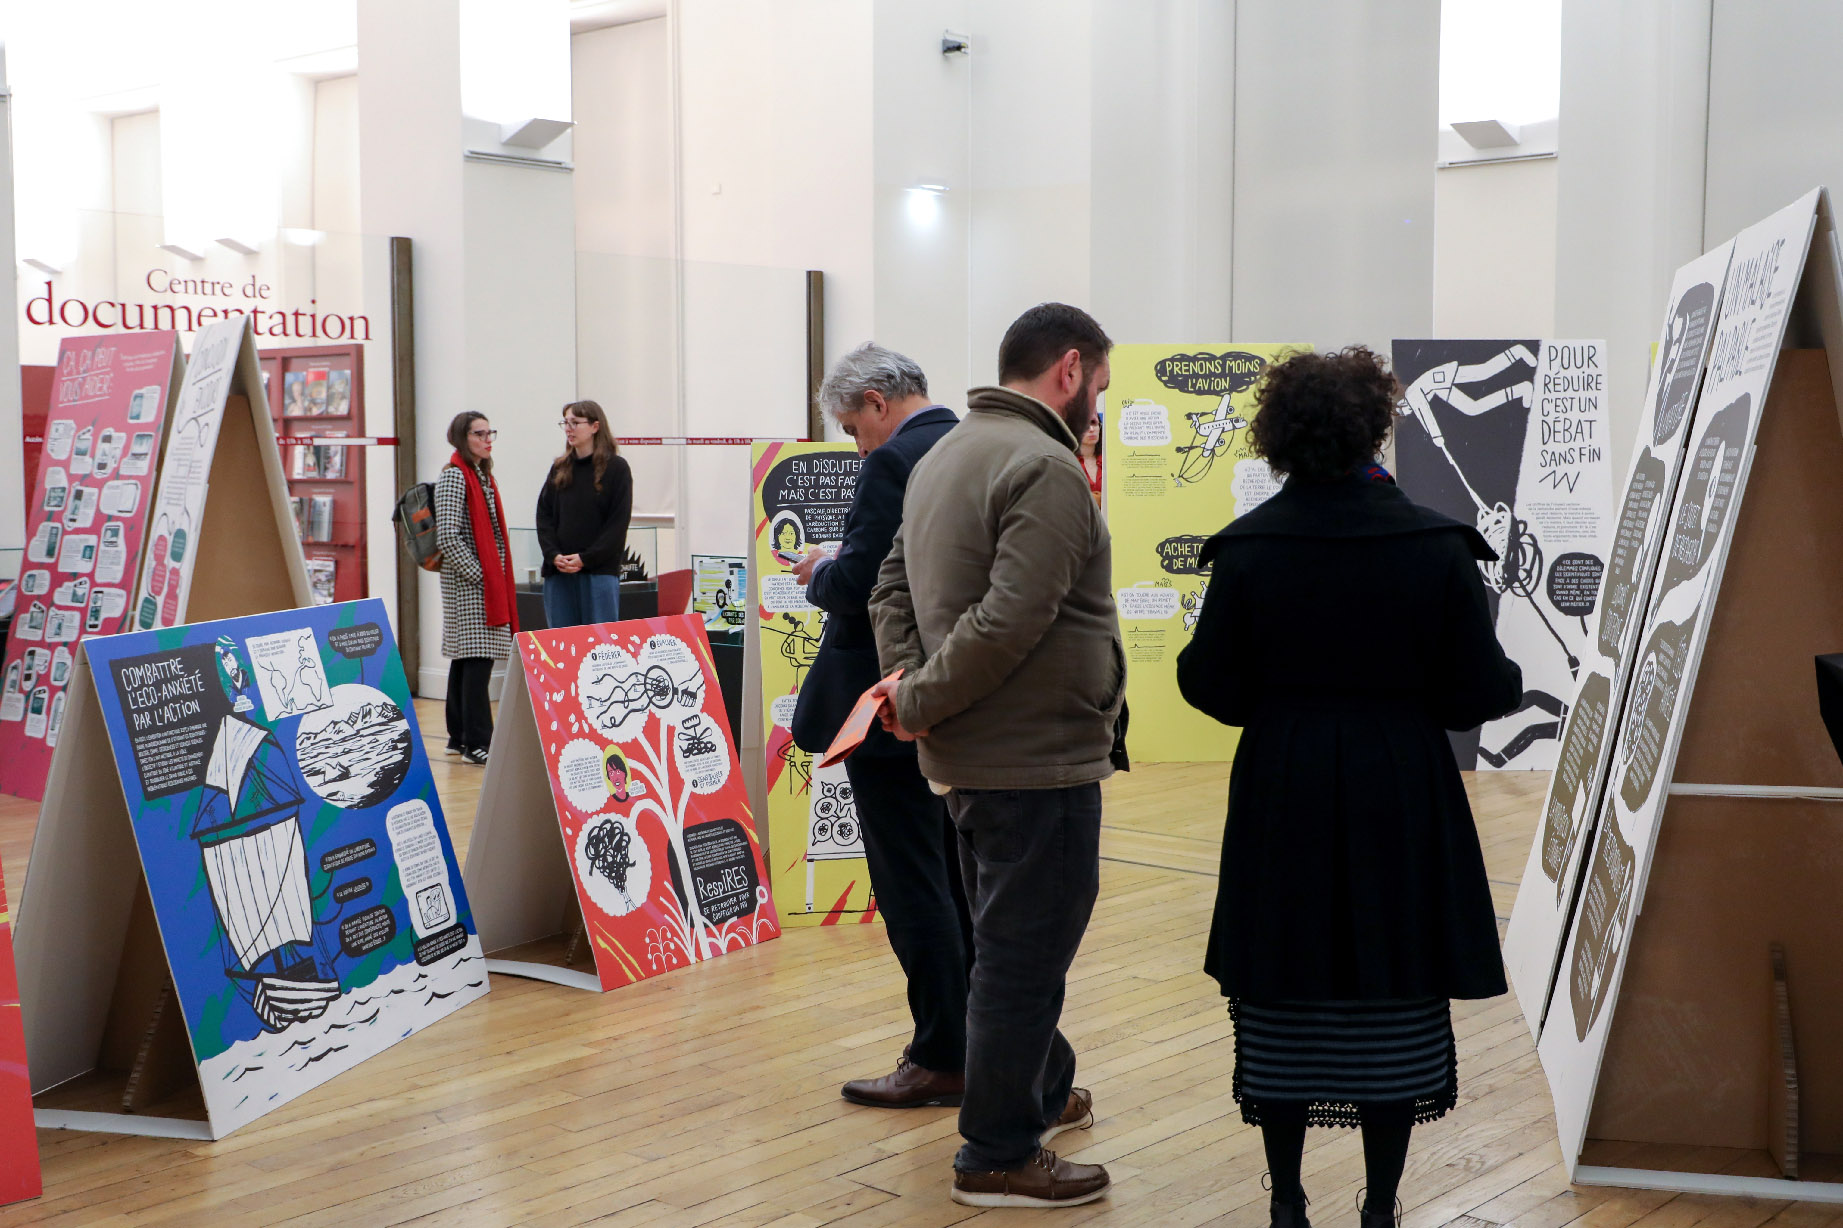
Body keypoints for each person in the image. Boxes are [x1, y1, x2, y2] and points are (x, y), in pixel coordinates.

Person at [1175, 347, 1521, 1228]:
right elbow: (1479, 691)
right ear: (1375, 428)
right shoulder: (1435, 544)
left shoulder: (1250, 548)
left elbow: (1208, 685)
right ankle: (1380, 1205)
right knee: (1393, 978)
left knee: (1283, 977)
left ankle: (1286, 1199)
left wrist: (1281, 695)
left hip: (1283, 773)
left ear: (1277, 439)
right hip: (1398, 778)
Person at [869, 303, 1124, 1210]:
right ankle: (997, 1153)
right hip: (1032, 760)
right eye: (1099, 381)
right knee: (1023, 955)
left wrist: (908, 687)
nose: (1099, 400)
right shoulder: (1044, 465)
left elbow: (889, 582)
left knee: (1008, 945)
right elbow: (1011, 620)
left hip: (971, 756)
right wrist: (919, 696)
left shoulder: (944, 452)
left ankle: (1037, 1094)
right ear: (1069, 369)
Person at [787, 343, 972, 1111]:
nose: (854, 443)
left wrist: (818, 570)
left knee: (911, 884)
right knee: (959, 882)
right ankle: (987, 1049)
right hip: (955, 695)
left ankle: (941, 1054)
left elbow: (862, 582)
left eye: (849, 425)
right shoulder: (969, 445)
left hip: (885, 699)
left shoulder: (893, 461)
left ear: (874, 401)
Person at [436, 411, 519, 764]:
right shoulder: (456, 477)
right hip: (471, 585)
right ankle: (478, 742)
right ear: (461, 437)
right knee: (476, 663)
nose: (487, 439)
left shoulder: (482, 477)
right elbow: (448, 536)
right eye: (479, 433)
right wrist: (482, 575)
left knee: (467, 660)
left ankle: (459, 736)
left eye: (490, 433)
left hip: (482, 582)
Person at [536, 400, 633, 628]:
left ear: (595, 427)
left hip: (599, 572)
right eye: (565, 423)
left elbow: (617, 524)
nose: (568, 429)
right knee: (562, 647)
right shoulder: (559, 468)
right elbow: (544, 516)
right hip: (559, 573)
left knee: (601, 647)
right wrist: (553, 555)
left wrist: (585, 558)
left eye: (575, 423)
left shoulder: (617, 468)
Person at [1077, 412, 1103, 506]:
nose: (1091, 429)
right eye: (1085, 425)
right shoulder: (1068, 461)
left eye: (1094, 423)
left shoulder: (1110, 461)